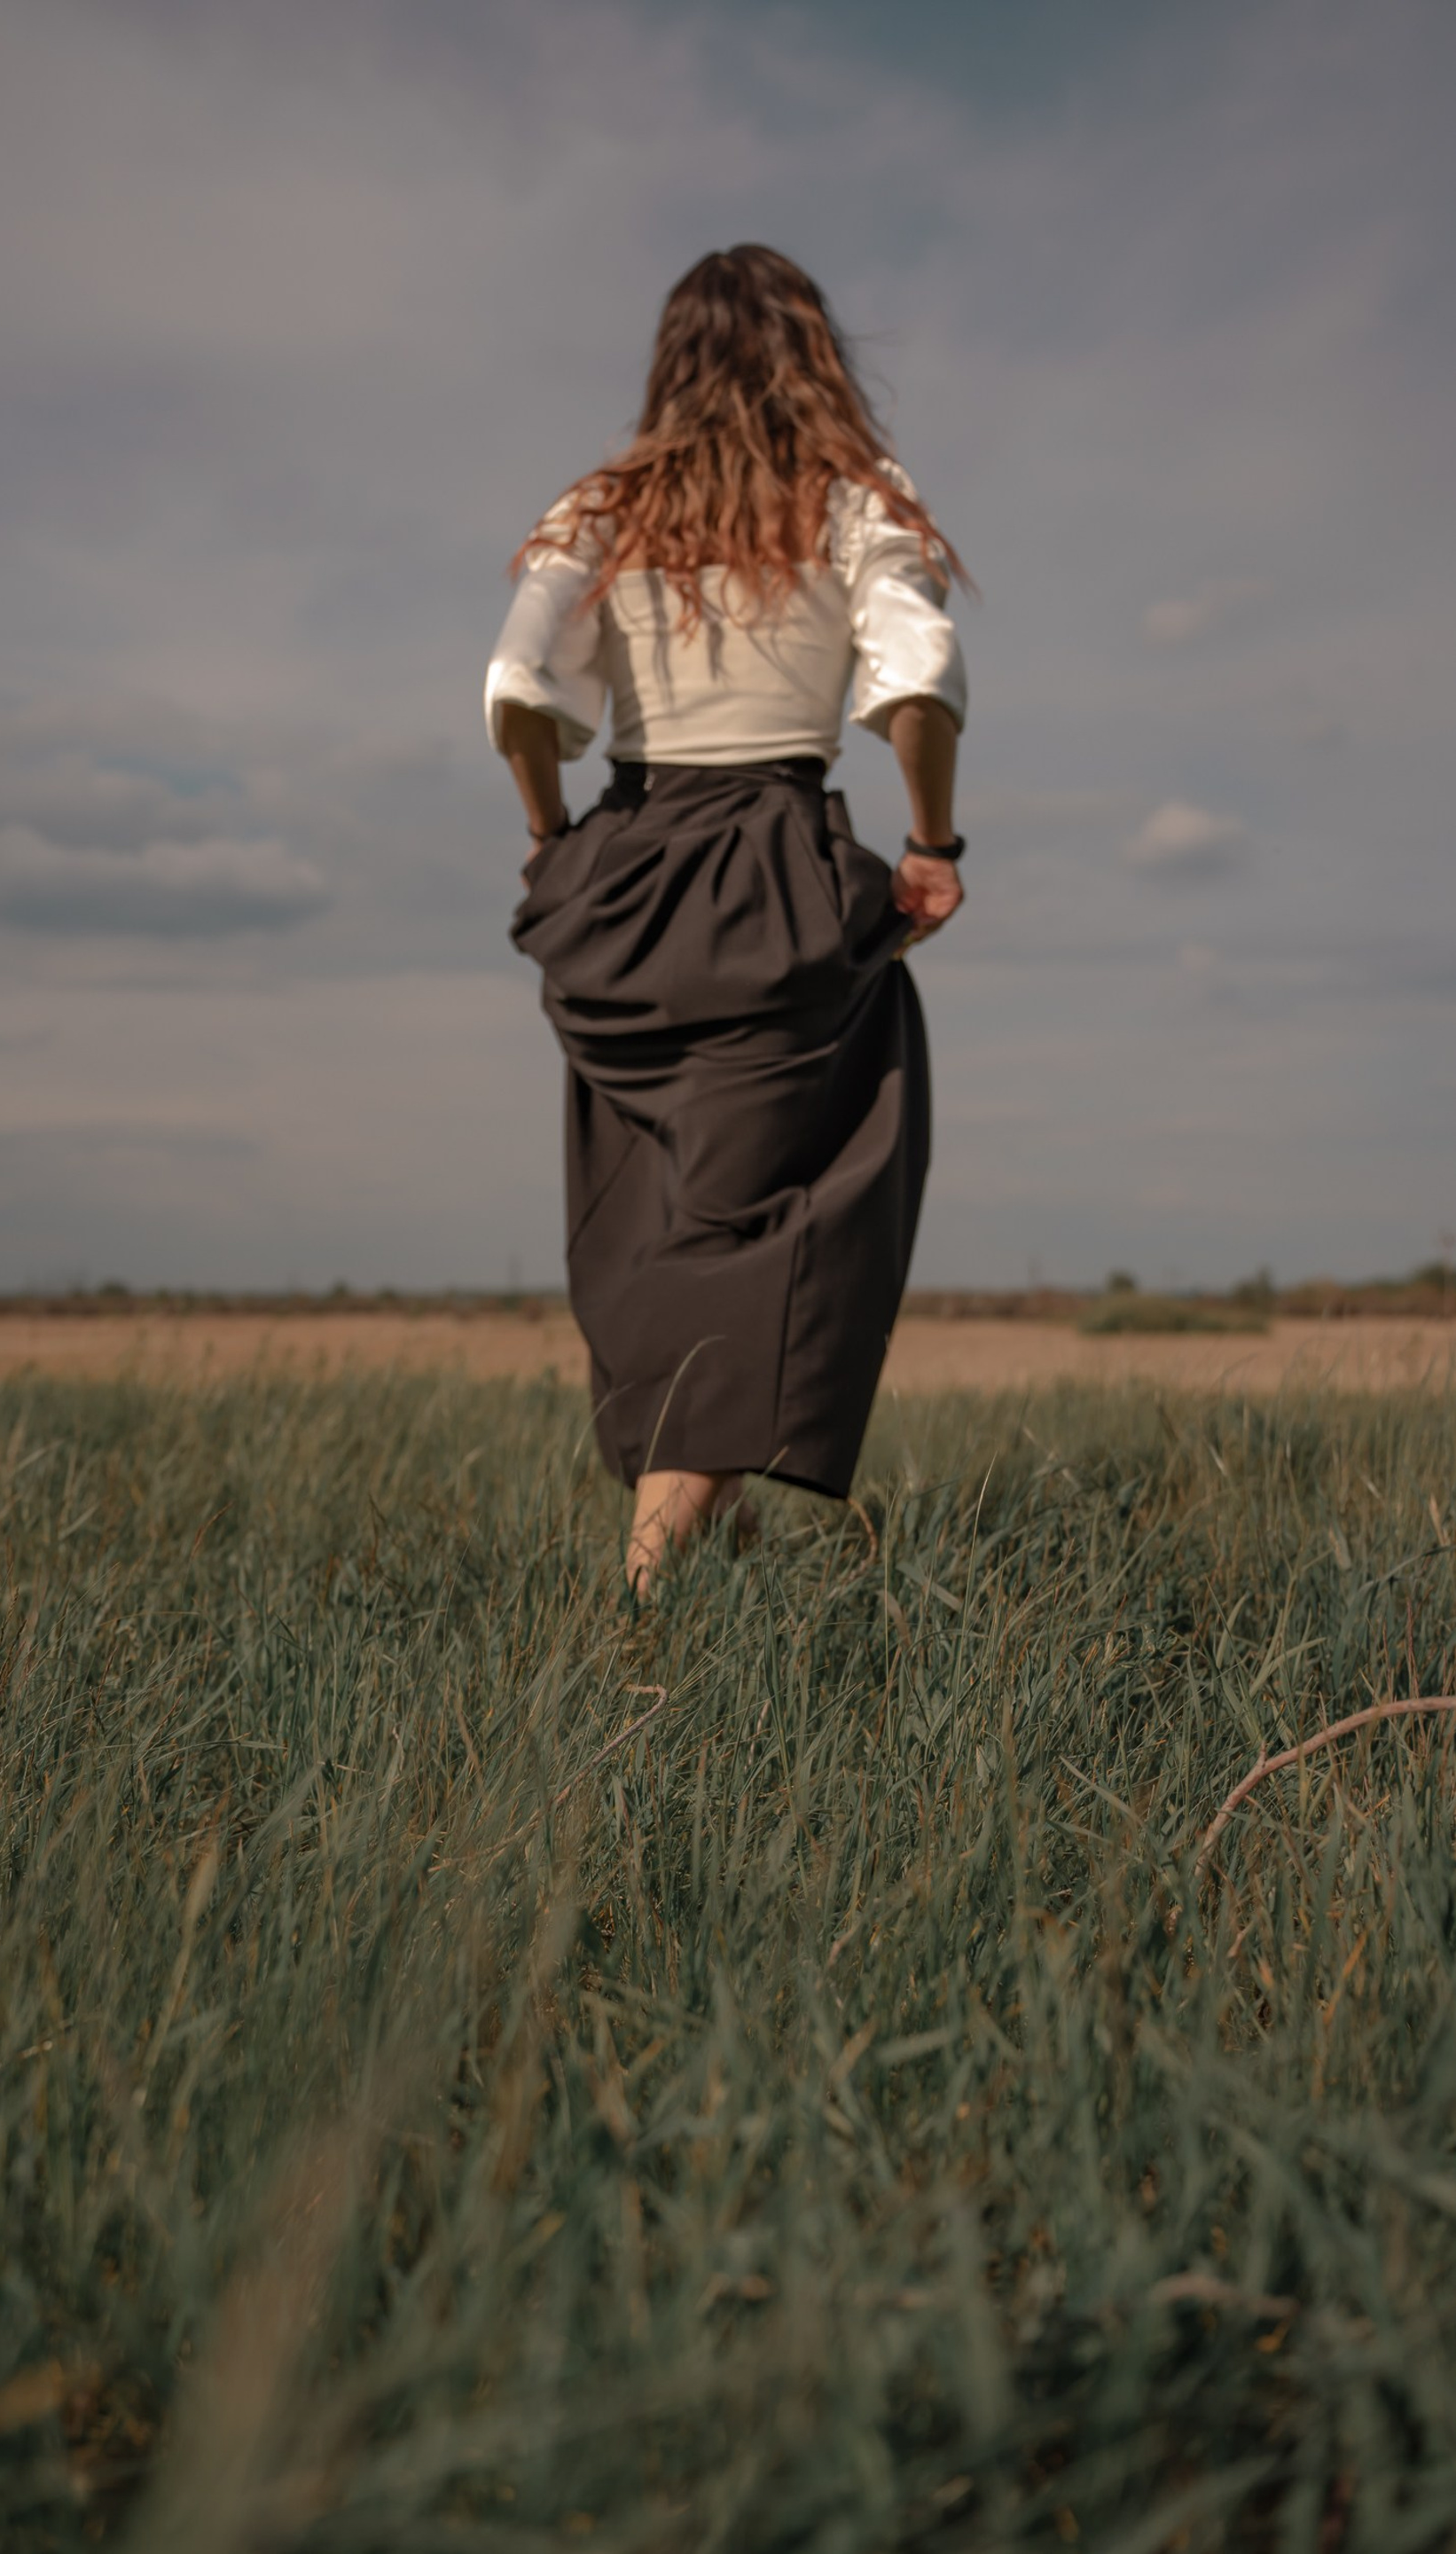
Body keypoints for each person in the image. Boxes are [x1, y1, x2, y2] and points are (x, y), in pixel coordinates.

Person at [485, 245, 968, 1595]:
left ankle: (720, 1592)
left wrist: (549, 837)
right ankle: (643, 1613)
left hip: (624, 881)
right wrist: (930, 840)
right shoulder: (855, 502)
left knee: (664, 1229)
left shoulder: (604, 506)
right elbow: (917, 676)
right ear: (817, 350)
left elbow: (521, 687)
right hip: (771, 876)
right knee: (751, 1231)